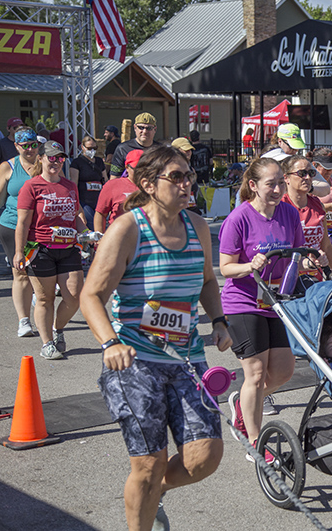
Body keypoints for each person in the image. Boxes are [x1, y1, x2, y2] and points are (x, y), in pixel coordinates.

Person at [80, 146, 231, 531]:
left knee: (205, 456)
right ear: (149, 184)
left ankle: (153, 491)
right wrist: (110, 342)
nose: (187, 183)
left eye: (189, 176)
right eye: (176, 177)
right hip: (136, 361)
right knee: (147, 464)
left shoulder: (196, 226)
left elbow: (209, 281)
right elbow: (91, 295)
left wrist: (218, 320)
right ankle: (144, 506)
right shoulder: (128, 229)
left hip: (186, 358)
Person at [218, 157, 326, 454]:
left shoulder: (290, 215)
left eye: (281, 182)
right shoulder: (238, 218)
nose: (279, 189)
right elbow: (225, 268)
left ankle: (244, 403)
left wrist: (312, 260)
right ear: (253, 185)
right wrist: (249, 266)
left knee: (282, 372)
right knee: (254, 373)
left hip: (277, 301)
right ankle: (254, 440)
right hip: (243, 303)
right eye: (271, 184)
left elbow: (298, 258)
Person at [14, 141, 89, 360]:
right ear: (41, 158)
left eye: (60, 158)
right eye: (51, 157)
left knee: (74, 297)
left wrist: (87, 234)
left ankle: (58, 329)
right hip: (40, 248)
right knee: (45, 298)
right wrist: (19, 252)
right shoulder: (31, 186)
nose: (56, 162)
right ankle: (47, 343)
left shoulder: (69, 186)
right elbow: (22, 223)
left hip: (68, 248)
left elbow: (75, 217)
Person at [0, 126, 38, 337]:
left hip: (41, 227)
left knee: (40, 274)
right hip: (13, 225)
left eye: (33, 145)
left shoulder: (47, 163)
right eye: (25, 146)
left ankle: (40, 310)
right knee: (20, 271)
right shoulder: (8, 167)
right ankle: (24, 321)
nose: (30, 150)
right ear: (16, 146)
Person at [281, 155, 332, 280]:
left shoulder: (317, 204)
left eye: (311, 173)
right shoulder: (280, 207)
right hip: (288, 280)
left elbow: (326, 246)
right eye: (302, 173)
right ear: (286, 178)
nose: (308, 177)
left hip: (315, 279)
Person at [262, 123, 329, 197]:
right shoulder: (268, 161)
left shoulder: (301, 163)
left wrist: (308, 188)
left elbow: (326, 188)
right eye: (291, 147)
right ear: (280, 141)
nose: (295, 151)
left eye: (297, 147)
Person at [94, 149, 143, 233]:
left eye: (144, 168)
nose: (141, 171)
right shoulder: (113, 185)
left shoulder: (154, 186)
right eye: (136, 168)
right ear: (127, 167)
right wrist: (99, 239)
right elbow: (100, 213)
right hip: (119, 237)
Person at [69, 135, 107, 230]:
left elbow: (105, 179)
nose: (92, 151)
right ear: (83, 147)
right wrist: (77, 203)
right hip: (85, 201)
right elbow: (74, 183)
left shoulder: (99, 161)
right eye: (89, 148)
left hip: (99, 199)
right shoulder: (77, 162)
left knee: (103, 227)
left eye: (94, 148)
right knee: (91, 226)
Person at [109, 112, 160, 178]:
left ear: (155, 129)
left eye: (149, 128)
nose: (144, 131)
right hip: (130, 187)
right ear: (135, 128)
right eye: (141, 127)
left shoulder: (161, 150)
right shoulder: (122, 149)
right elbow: (114, 177)